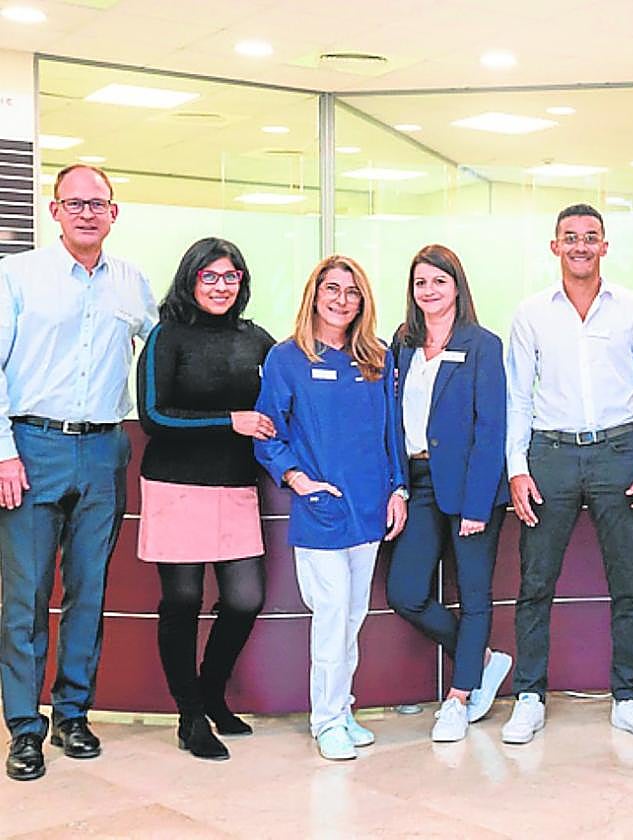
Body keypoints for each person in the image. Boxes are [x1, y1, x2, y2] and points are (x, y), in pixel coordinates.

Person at [0, 165, 157, 782]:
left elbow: (166, 346)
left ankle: (72, 715)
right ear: (55, 211)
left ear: (113, 213)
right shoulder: (18, 275)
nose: (87, 213)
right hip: (33, 446)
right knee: (27, 596)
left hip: (103, 450)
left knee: (89, 592)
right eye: (75, 203)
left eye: (98, 204)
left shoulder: (131, 282)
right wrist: (4, 453)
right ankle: (25, 727)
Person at [502, 204, 633, 744]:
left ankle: (629, 699)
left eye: (590, 237)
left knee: (630, 583)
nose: (580, 245)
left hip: (619, 451)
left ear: (605, 245)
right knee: (535, 582)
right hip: (550, 453)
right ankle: (529, 696)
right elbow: (517, 397)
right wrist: (517, 468)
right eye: (570, 237)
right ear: (555, 246)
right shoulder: (531, 313)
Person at [254, 255, 406, 761]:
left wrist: (398, 490)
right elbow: (268, 432)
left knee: (353, 616)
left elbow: (392, 433)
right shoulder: (287, 358)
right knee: (332, 614)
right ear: (314, 295)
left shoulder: (377, 358)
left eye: (352, 291)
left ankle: (343, 709)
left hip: (369, 507)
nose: (342, 300)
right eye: (332, 289)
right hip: (321, 510)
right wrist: (298, 480)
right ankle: (325, 721)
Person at [136, 237, 276, 760]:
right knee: (183, 601)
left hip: (235, 484)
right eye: (209, 277)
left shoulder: (255, 338)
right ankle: (190, 716)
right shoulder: (167, 335)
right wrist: (229, 421)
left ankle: (211, 691)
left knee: (245, 598)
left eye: (230, 277)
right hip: (176, 485)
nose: (220, 287)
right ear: (190, 280)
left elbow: (287, 392)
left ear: (242, 282)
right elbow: (154, 416)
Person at [385, 244, 512, 743]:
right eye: (421, 282)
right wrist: (397, 483)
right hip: (418, 481)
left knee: (474, 594)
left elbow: (491, 428)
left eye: (439, 281)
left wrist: (478, 504)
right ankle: (481, 659)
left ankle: (458, 698)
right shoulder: (402, 344)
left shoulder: (483, 345)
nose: (429, 290)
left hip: (468, 483)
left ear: (457, 286)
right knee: (405, 592)